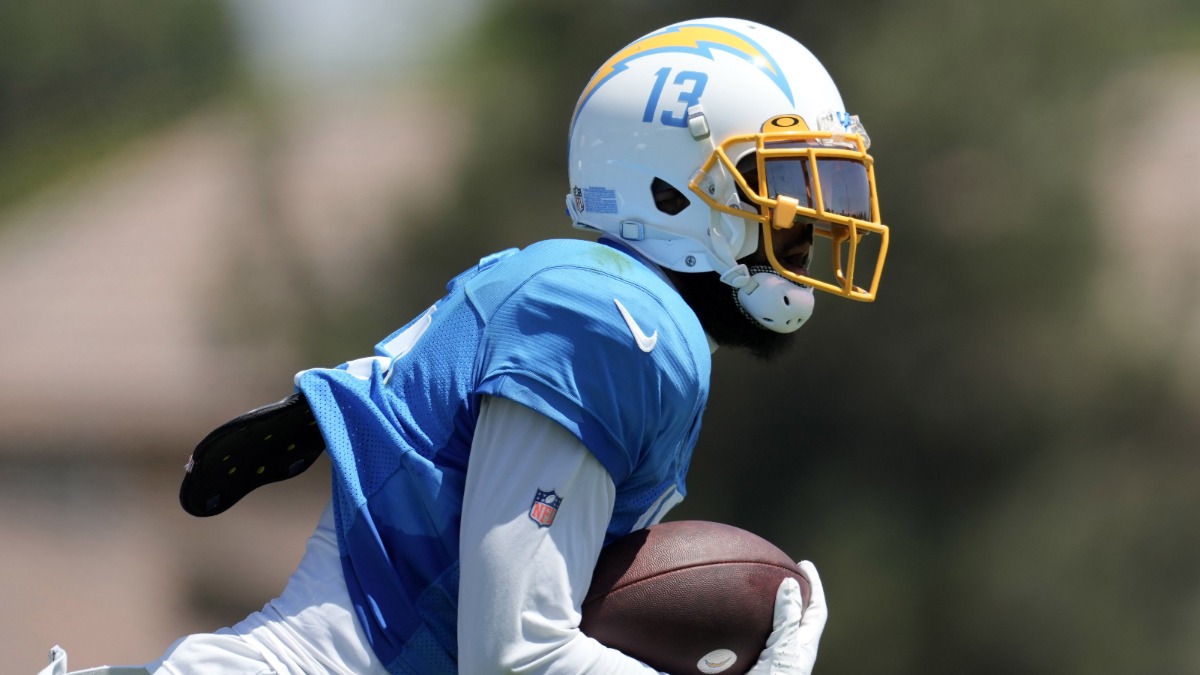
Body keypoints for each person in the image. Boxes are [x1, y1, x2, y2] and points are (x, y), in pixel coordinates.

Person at [41, 15, 888, 675]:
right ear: (670, 189)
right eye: (784, 183)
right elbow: (515, 654)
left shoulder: (587, 294)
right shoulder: (617, 315)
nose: (817, 220)